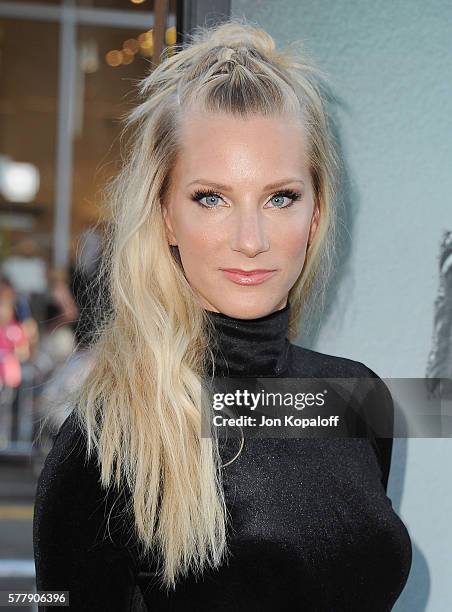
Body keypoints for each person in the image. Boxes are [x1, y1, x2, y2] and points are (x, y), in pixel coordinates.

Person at [33, 18, 412, 611]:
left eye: (279, 197)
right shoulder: (105, 443)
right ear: (165, 216)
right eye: (211, 198)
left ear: (315, 214)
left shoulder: (356, 395)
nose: (251, 239)